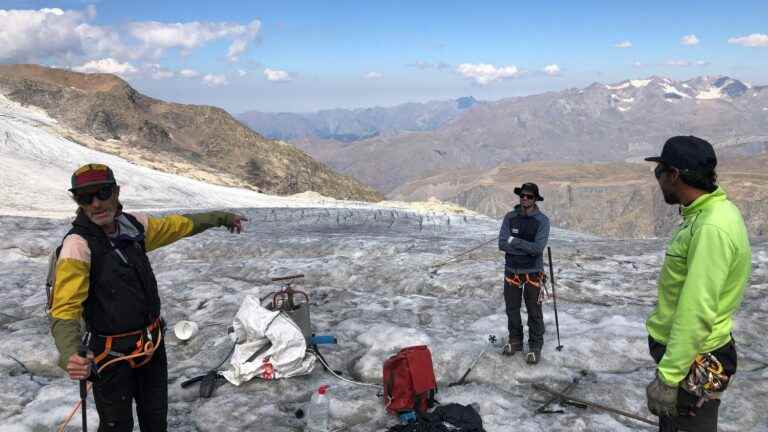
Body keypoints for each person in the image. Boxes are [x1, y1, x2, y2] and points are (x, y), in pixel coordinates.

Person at [49, 163, 247, 431]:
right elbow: (64, 310)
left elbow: (179, 225)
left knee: (155, 419)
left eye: (103, 193)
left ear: (116, 192)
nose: (96, 204)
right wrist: (70, 353)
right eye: (86, 197)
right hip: (110, 356)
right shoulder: (78, 246)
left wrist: (221, 218)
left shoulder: (133, 226)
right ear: (78, 202)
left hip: (151, 346)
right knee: (116, 425)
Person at [644, 136, 751, 432]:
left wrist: (668, 377)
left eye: (660, 171)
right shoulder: (710, 214)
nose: (658, 179)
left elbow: (697, 309)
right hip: (691, 356)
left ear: (674, 174)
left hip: (694, 359)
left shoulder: (710, 228)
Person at [497, 182, 550, 364]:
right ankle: (516, 341)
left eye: (529, 196)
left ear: (535, 199)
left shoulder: (542, 221)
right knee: (512, 309)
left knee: (534, 311)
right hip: (511, 271)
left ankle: (535, 346)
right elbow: (502, 244)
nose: (525, 199)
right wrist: (522, 246)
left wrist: (514, 242)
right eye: (523, 196)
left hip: (533, 273)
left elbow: (537, 249)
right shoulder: (509, 217)